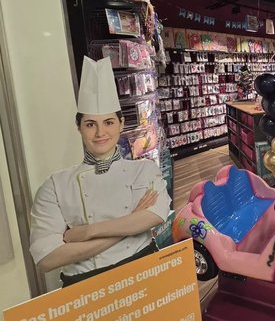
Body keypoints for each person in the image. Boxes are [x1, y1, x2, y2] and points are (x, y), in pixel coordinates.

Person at [29, 57, 171, 287]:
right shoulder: (54, 186)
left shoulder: (145, 169)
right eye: (90, 124)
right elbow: (46, 258)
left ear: (121, 124)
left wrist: (87, 232)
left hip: (143, 272)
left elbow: (155, 216)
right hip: (86, 284)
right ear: (78, 127)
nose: (100, 133)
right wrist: (129, 225)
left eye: (108, 122)